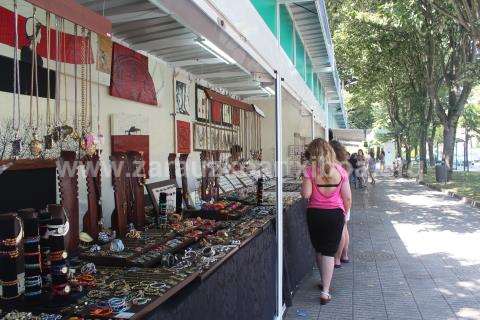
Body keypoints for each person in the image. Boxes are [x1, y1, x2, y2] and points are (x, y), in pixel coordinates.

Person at [301, 138, 352, 305]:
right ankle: (325, 291)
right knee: (329, 251)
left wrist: (306, 180)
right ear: (329, 151)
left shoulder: (310, 170)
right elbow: (347, 197)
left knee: (319, 249)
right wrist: (344, 213)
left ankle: (323, 281)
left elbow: (306, 195)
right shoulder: (341, 171)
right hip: (335, 214)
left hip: (315, 214)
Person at [329, 140, 352, 269]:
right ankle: (345, 255)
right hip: (346, 200)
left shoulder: (335, 166)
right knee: (344, 229)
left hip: (341, 202)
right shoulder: (345, 165)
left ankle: (337, 259)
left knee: (341, 230)